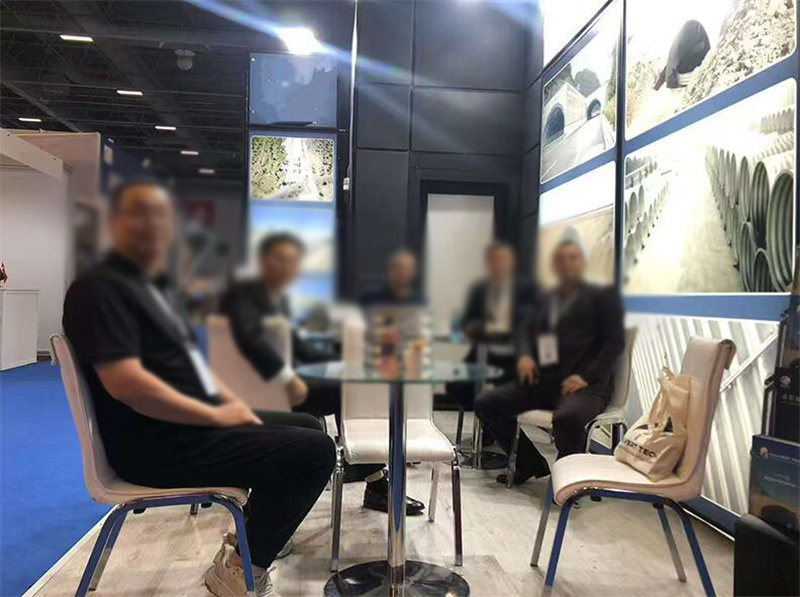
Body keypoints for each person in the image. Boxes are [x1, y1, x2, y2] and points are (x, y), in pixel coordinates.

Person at [62, 177, 334, 597]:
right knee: (314, 452)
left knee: (307, 425)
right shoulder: (99, 290)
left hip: (182, 426)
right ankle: (240, 572)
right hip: (156, 445)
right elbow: (128, 386)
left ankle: (248, 542)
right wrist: (215, 411)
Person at [220, 234, 426, 516]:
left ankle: (371, 473)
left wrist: (341, 364)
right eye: (281, 260)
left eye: (293, 262)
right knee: (347, 392)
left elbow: (299, 348)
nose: (288, 268)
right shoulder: (243, 294)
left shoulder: (274, 297)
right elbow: (252, 343)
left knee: (352, 385)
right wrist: (287, 377)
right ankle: (372, 479)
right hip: (255, 390)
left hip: (278, 384)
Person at [474, 239, 625, 485]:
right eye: (560, 259)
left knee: (567, 418)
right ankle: (529, 463)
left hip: (586, 386)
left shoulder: (603, 298)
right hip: (548, 381)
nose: (566, 264)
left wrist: (584, 376)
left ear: (582, 263)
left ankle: (571, 482)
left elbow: (614, 344)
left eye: (572, 258)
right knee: (487, 404)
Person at [446, 242, 538, 447]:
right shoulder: (479, 289)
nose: (498, 265)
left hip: (515, 357)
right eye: (493, 261)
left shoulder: (527, 290)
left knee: (498, 394)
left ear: (511, 263)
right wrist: (472, 326)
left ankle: (514, 447)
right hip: (482, 352)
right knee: (456, 386)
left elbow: (533, 325)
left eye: (502, 260)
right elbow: (468, 321)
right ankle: (490, 427)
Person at [359, 248, 425, 306]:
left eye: (407, 268)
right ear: (389, 269)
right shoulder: (369, 298)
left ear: (414, 272)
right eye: (398, 267)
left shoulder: (419, 302)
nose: (402, 272)